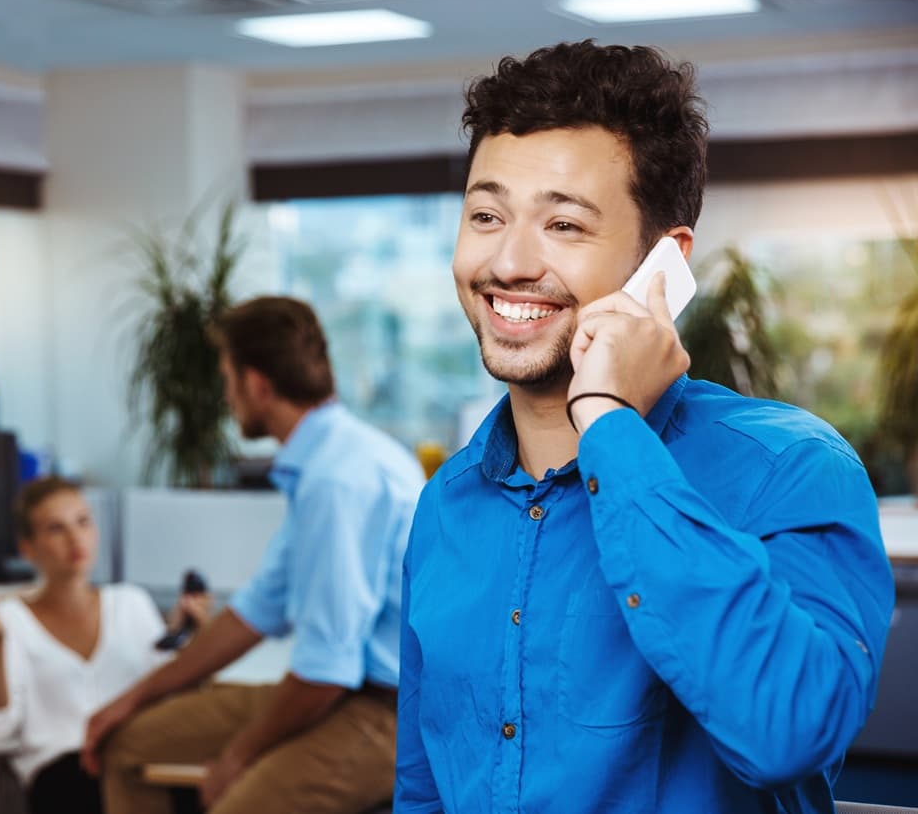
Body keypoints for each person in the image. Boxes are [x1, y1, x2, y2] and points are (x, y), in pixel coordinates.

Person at [395, 41, 895, 814]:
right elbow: (423, 790)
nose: (509, 261)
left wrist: (609, 424)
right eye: (486, 215)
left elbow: (788, 733)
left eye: (564, 224)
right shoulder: (446, 505)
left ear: (664, 263)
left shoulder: (791, 468)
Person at [81, 295, 426, 814]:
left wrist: (238, 755)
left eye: (228, 380)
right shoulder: (322, 463)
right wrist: (132, 700)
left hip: (386, 714)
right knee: (128, 745)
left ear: (258, 385)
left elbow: (325, 669)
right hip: (344, 694)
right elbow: (255, 610)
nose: (226, 397)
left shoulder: (337, 481)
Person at [0, 476, 210, 814]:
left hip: (134, 758)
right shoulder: (11, 619)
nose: (75, 538)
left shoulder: (130, 603)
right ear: (28, 548)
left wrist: (192, 641)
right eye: (56, 529)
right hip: (60, 773)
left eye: (83, 522)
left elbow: (173, 701)